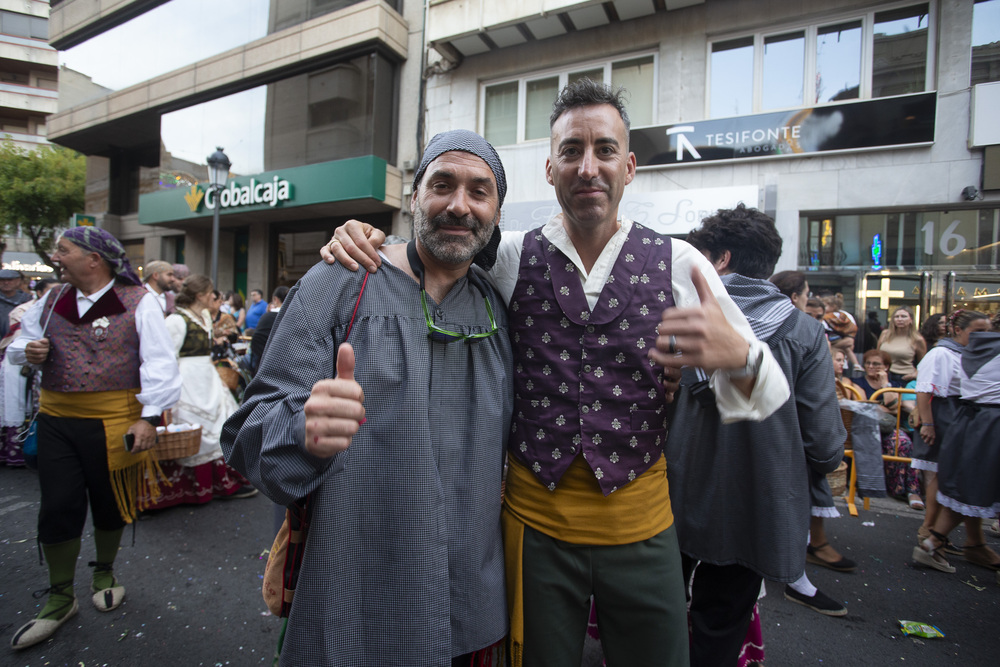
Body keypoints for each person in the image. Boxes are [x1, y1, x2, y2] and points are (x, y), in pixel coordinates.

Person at [323, 79, 790, 667]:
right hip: (533, 526)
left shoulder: (681, 262)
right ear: (550, 168)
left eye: (604, 150)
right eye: (572, 151)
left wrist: (742, 359)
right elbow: (438, 243)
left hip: (642, 526)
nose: (588, 166)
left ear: (630, 166)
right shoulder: (511, 255)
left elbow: (768, 393)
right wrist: (366, 235)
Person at [223, 130, 515, 665]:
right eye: (442, 184)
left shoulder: (500, 307)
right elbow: (248, 435)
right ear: (413, 198)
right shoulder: (338, 280)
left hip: (470, 607)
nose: (458, 204)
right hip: (354, 603)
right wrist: (303, 432)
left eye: (480, 191)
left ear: (497, 209)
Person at [665, 206, 845, 665]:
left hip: (675, 495)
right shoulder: (804, 332)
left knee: (659, 611)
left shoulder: (682, 321)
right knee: (720, 624)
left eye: (700, 256)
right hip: (760, 502)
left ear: (720, 260)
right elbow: (823, 439)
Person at [7, 227, 181, 650]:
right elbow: (18, 345)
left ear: (93, 259)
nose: (56, 257)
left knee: (108, 502)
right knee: (58, 505)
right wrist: (28, 351)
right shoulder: (50, 300)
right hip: (55, 420)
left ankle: (104, 572)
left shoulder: (139, 301)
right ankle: (60, 596)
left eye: (63, 250)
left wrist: (149, 419)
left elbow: (159, 363)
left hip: (114, 422)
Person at [143, 275, 256, 509]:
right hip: (187, 380)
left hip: (207, 376)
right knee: (193, 427)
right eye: (210, 292)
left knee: (220, 425)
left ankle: (220, 484)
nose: (215, 297)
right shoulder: (176, 320)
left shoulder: (204, 316)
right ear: (200, 295)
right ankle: (186, 490)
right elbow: (167, 356)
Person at [912, 310, 1000, 573]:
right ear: (958, 331)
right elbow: (924, 389)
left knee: (964, 482)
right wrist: (927, 422)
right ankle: (929, 534)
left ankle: (967, 542)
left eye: (987, 331)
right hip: (954, 416)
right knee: (945, 477)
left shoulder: (974, 352)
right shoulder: (942, 353)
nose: (982, 336)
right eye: (977, 331)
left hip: (966, 416)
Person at [854, 349, 922, 508]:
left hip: (887, 428)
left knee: (903, 443)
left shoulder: (894, 385)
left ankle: (912, 491)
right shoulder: (857, 382)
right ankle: (894, 488)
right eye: (868, 363)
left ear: (886, 367)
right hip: (867, 429)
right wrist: (885, 407)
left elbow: (895, 408)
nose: (871, 366)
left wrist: (885, 385)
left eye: (876, 364)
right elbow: (865, 407)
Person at [877, 306, 927, 385]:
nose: (900, 319)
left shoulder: (917, 339)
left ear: (911, 320)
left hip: (905, 377)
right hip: (885, 375)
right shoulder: (885, 334)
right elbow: (877, 355)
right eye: (897, 317)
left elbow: (923, 363)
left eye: (904, 316)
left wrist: (915, 374)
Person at [249, 286, 288, 374]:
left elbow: (256, 341)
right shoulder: (295, 318)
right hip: (286, 369)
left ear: (275, 299)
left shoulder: (266, 317)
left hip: (263, 367)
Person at [820, 293, 861, 373]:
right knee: (848, 349)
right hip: (839, 349)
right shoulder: (844, 316)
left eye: (824, 306)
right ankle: (856, 364)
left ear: (833, 306)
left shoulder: (825, 317)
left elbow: (850, 341)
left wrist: (832, 346)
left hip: (833, 342)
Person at [0, 269, 32, 339]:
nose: (6, 283)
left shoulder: (28, 300)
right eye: (2, 280)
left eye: (10, 280)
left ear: (18, 281)